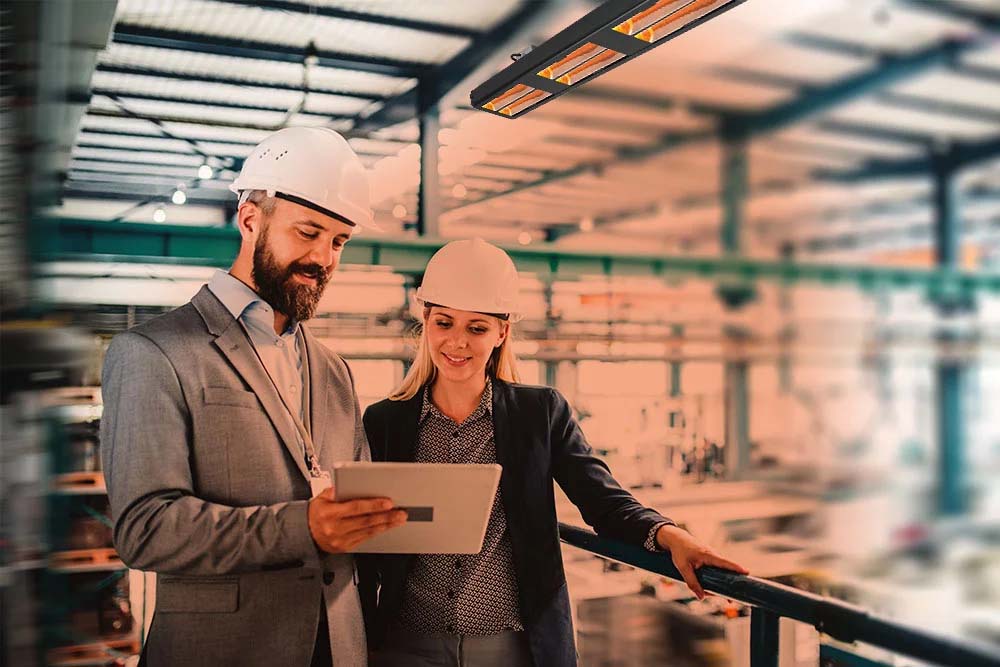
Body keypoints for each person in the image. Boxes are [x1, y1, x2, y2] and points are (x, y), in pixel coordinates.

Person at [360, 239, 748, 667]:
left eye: (477, 328)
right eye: (444, 324)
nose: (457, 343)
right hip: (406, 644)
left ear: (502, 332)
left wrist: (673, 536)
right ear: (426, 322)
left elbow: (602, 499)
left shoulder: (539, 413)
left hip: (510, 646)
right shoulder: (384, 422)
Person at [100, 126, 406, 667]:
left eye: (338, 241)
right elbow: (145, 529)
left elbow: (352, 502)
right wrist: (301, 527)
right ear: (249, 219)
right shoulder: (153, 352)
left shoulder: (333, 370)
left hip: (338, 649)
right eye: (308, 232)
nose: (324, 258)